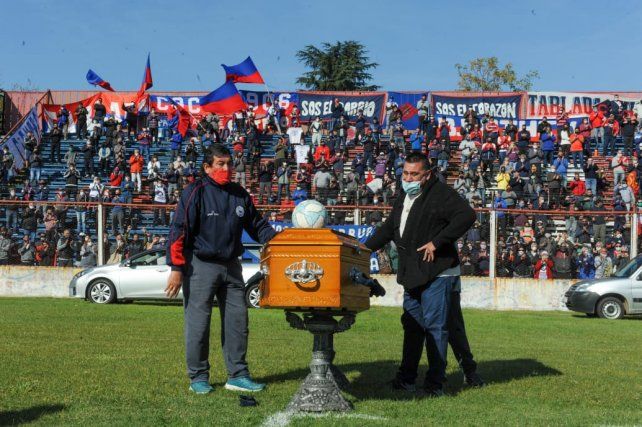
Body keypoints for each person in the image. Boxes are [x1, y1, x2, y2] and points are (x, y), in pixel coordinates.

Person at [165, 145, 277, 395]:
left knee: (238, 321)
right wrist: (176, 267)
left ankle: (237, 375)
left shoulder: (239, 194)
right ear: (207, 167)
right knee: (198, 324)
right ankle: (198, 377)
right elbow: (179, 230)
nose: (227, 169)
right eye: (220, 164)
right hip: (200, 266)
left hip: (232, 267)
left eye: (229, 164)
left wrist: (280, 240)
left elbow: (258, 226)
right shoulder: (195, 192)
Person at [364, 153, 476, 396]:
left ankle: (435, 384)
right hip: (413, 273)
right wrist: (363, 250)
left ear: (427, 175)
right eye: (405, 173)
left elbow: (467, 215)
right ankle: (406, 379)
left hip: (438, 272)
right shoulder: (405, 194)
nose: (408, 178)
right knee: (413, 325)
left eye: (414, 174)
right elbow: (388, 228)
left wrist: (437, 242)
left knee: (437, 327)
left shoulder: (442, 194)